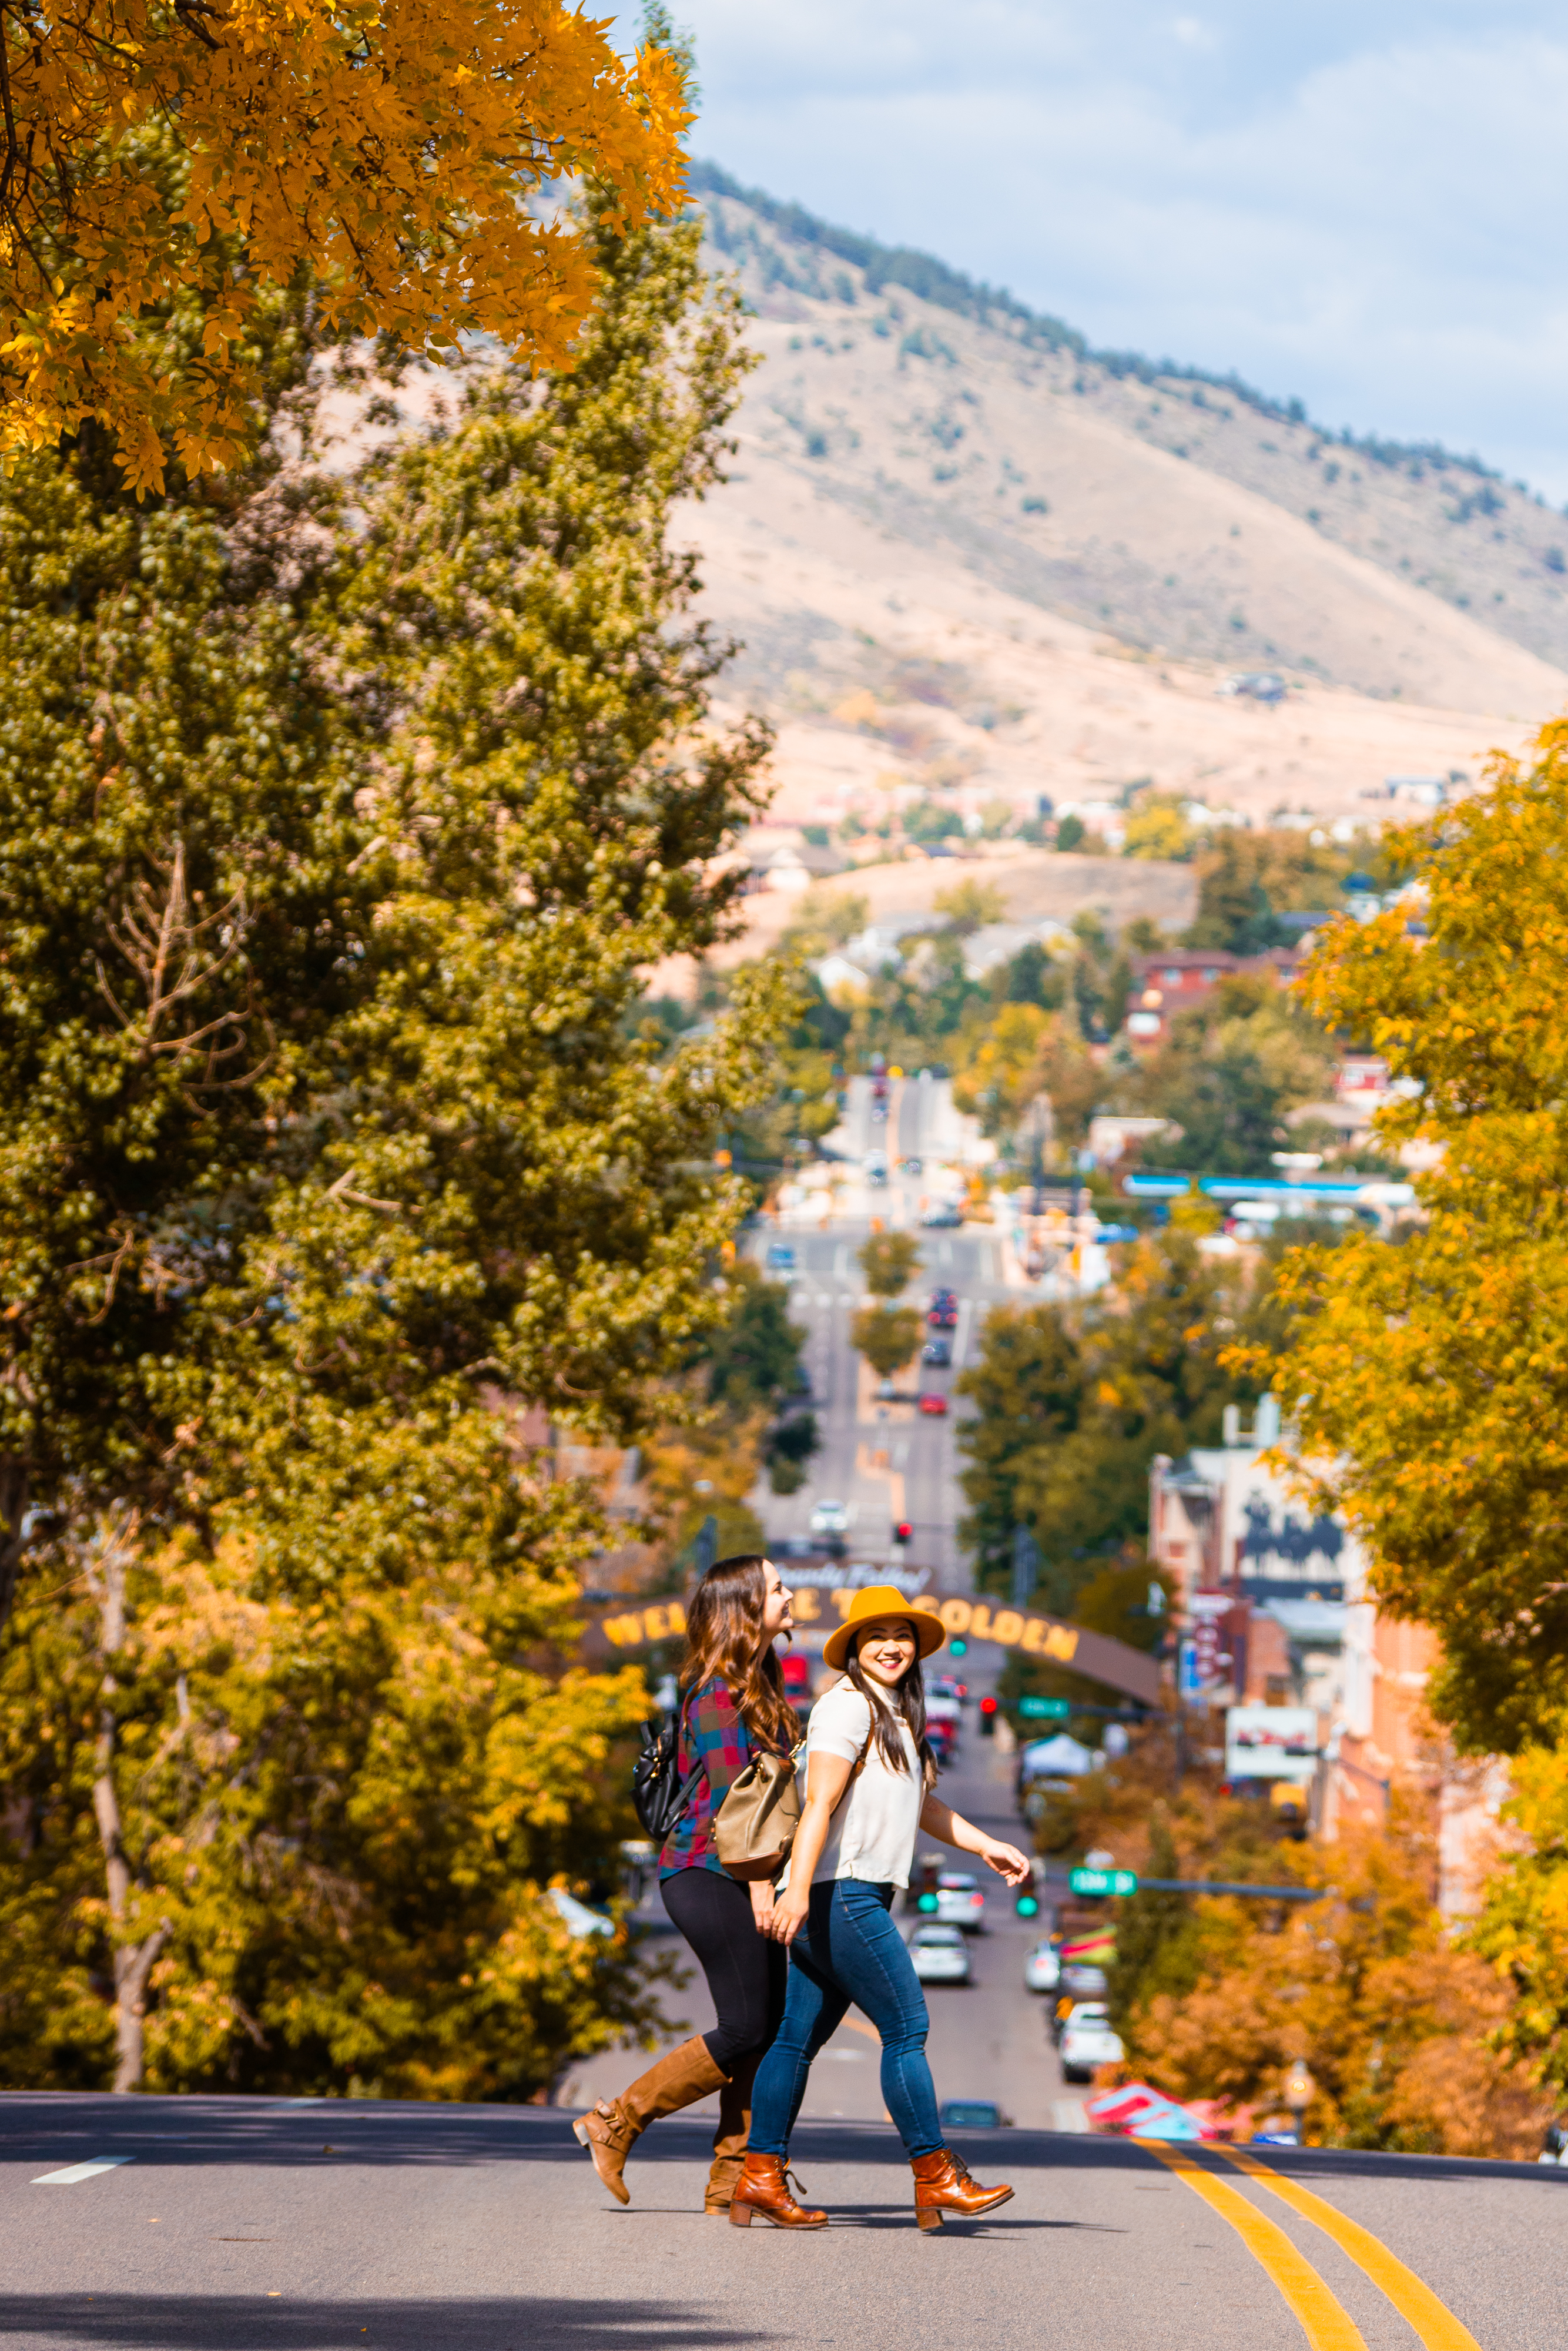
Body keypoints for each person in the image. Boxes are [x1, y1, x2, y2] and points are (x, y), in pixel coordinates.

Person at [731, 1585, 1031, 2232]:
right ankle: (935, 2173)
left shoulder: (895, 1715)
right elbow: (818, 1804)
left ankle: (758, 2176)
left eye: (901, 1634)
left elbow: (921, 1805)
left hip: (845, 1891)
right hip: (841, 1891)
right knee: (907, 2027)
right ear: (854, 1649)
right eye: (876, 1636)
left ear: (916, 1646)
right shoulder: (845, 1709)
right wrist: (793, 1891)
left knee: (795, 2039)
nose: (891, 1646)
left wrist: (986, 1847)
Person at [574, 1553, 798, 2213]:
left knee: (768, 2025)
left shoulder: (760, 1676)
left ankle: (733, 2182)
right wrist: (764, 1888)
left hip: (740, 1871)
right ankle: (618, 2120)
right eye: (777, 1587)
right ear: (745, 1606)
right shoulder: (719, 1689)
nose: (790, 1595)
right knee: (744, 2025)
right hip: (708, 1870)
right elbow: (738, 1803)